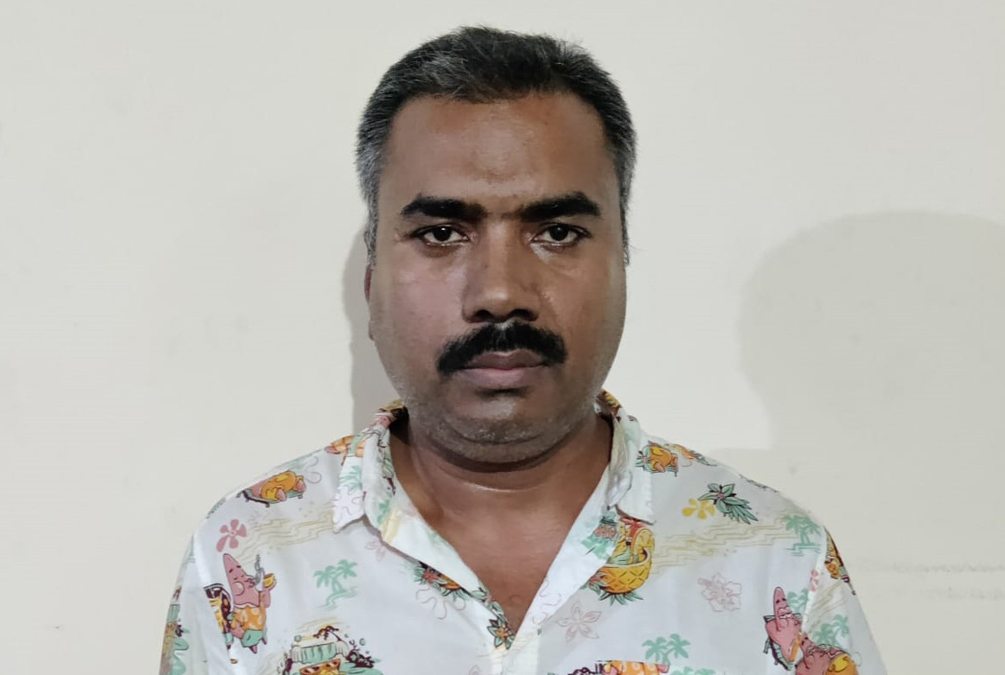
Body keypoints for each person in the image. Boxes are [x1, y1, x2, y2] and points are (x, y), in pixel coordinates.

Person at [158, 26, 886, 675]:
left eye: (557, 233)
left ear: (622, 264)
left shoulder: (774, 560)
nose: (501, 292)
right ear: (373, 284)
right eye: (442, 233)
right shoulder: (253, 552)